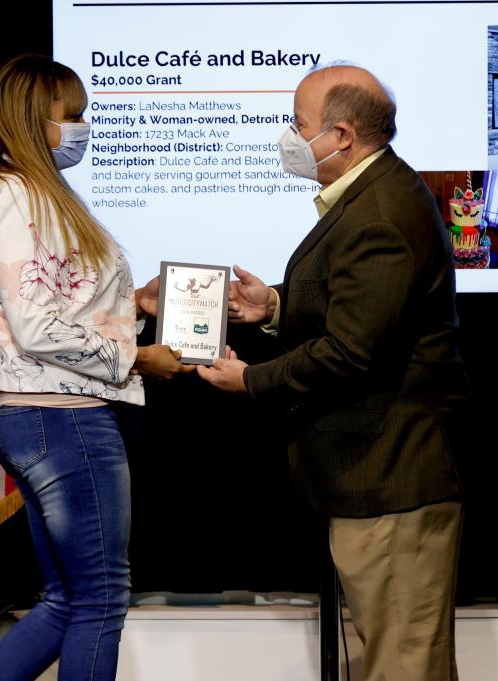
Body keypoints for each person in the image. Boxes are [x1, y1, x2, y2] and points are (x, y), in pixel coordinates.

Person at [198, 64, 470, 681]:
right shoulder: (374, 194)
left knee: (402, 667)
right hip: (376, 479)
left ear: (342, 136)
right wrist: (275, 305)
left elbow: (351, 351)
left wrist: (251, 381)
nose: (289, 139)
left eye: (298, 126)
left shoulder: (378, 213)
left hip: (391, 476)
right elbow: (362, 306)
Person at [0, 55, 192, 681]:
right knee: (99, 598)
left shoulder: (35, 193)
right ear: (39, 121)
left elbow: (57, 303)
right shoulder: (16, 195)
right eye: (75, 115)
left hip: (48, 416)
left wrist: (136, 305)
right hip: (61, 420)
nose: (85, 126)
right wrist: (137, 356)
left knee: (67, 600)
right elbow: (37, 327)